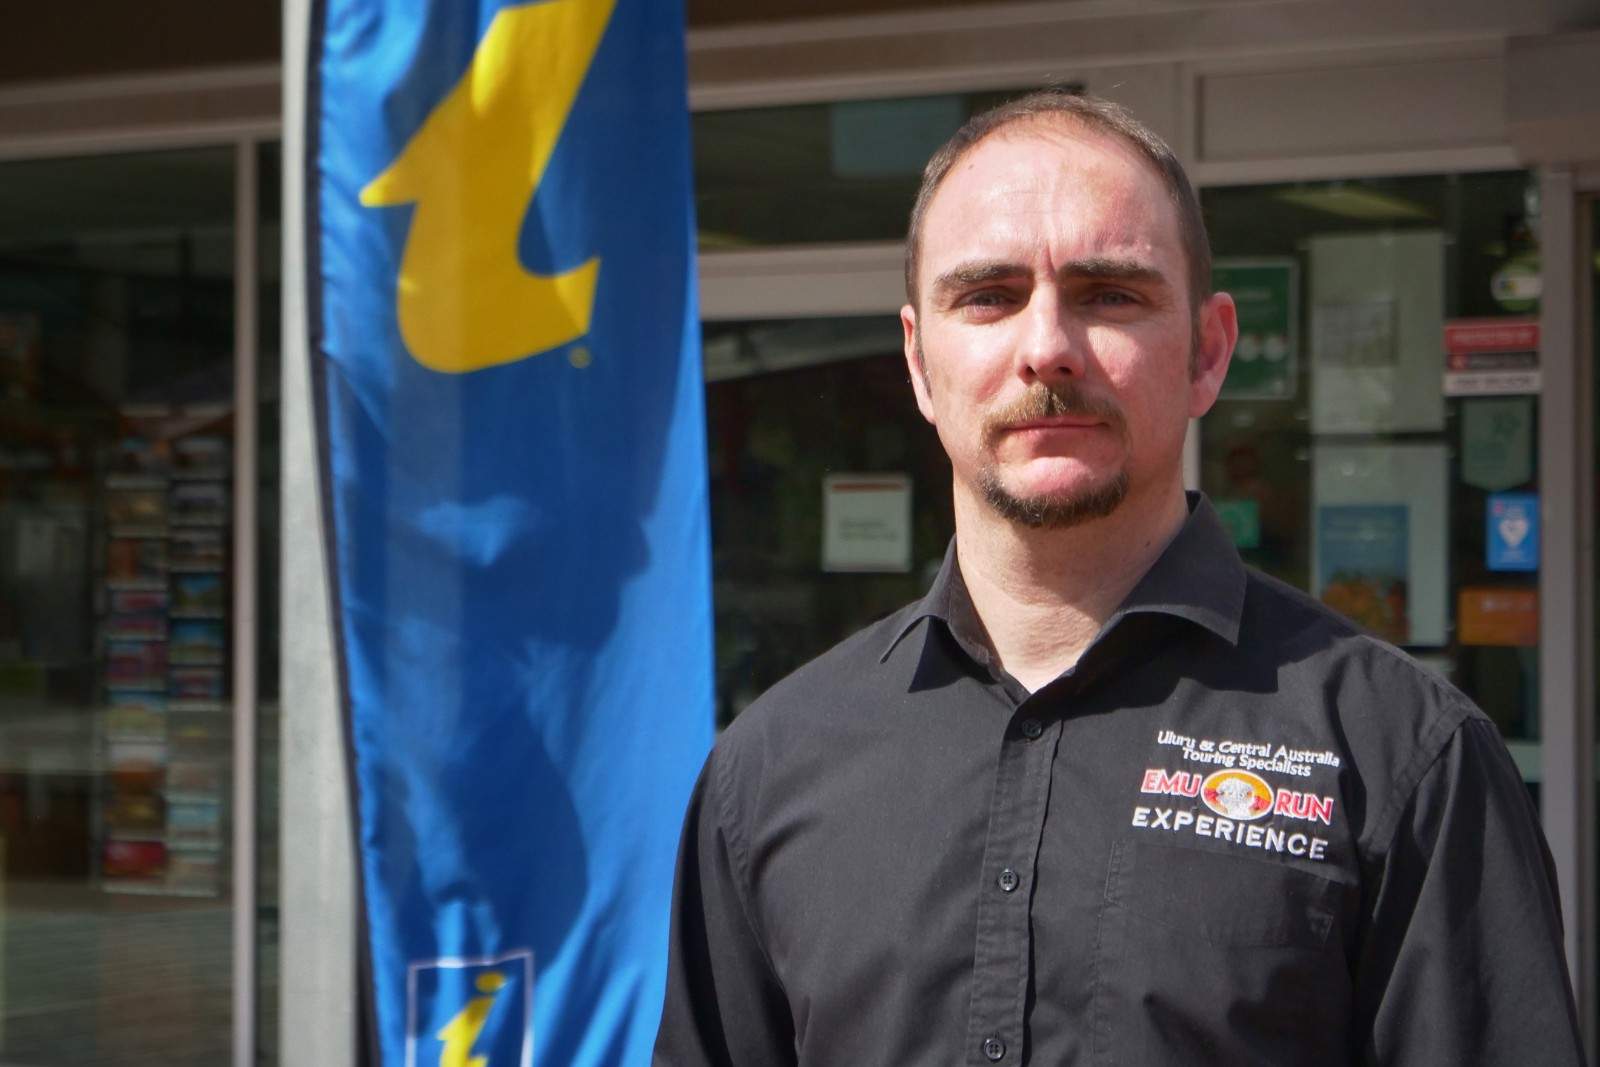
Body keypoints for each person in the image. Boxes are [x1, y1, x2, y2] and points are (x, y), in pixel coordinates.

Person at [652, 90, 1584, 1066]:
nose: (1047, 346)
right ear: (920, 363)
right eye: (987, 295)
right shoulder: (768, 770)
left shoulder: (1402, 759)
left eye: (1110, 293)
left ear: (1208, 351)